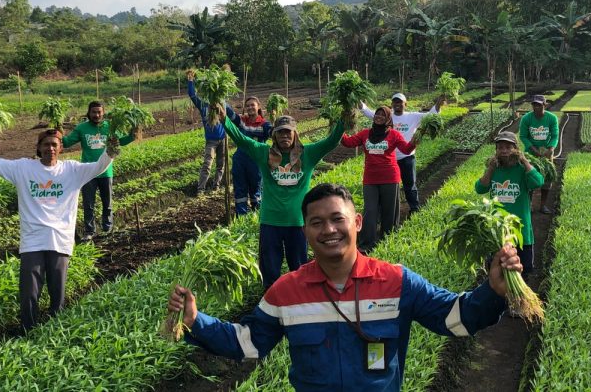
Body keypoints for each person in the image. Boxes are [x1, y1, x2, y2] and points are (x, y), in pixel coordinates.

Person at [167, 183, 520, 391]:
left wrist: (493, 291)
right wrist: (196, 319)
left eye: (338, 219)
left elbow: (454, 319)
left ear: (357, 222)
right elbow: (247, 344)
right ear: (304, 231)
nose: (329, 230)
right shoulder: (285, 292)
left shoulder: (396, 282)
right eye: (317, 222)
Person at [0, 128, 119, 330]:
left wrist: (111, 149)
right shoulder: (23, 169)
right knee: (28, 294)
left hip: (60, 240)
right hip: (32, 241)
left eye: (54, 144)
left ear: (60, 148)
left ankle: (53, 333)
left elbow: (99, 166)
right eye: (46, 144)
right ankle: (28, 331)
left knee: (57, 294)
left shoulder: (72, 170)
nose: (50, 148)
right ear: (38, 148)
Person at [221, 105, 345, 289]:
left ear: (295, 134)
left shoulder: (308, 154)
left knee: (300, 270)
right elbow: (241, 139)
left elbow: (332, 141)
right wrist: (223, 118)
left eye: (288, 133)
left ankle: (301, 303)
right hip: (271, 222)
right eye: (280, 133)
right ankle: (272, 305)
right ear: (274, 136)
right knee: (270, 272)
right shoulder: (264, 153)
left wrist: (345, 116)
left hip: (297, 223)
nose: (284, 136)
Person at [340, 106, 419, 251]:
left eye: (383, 115)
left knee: (389, 211)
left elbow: (407, 150)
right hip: (370, 179)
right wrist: (339, 126)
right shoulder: (365, 134)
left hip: (390, 177)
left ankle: (388, 241)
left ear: (388, 119)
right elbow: (347, 142)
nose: (379, 116)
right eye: (377, 114)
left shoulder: (394, 135)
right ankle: (366, 245)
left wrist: (417, 138)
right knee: (370, 211)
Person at [360, 92, 443, 217]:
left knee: (410, 185)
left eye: (400, 102)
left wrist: (439, 102)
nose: (397, 104)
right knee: (388, 187)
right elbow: (368, 112)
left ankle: (414, 209)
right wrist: (356, 99)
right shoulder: (387, 116)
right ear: (392, 104)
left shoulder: (413, 116)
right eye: (395, 102)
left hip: (406, 157)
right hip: (389, 159)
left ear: (405, 104)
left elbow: (431, 115)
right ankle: (383, 212)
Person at [475, 131, 543, 279]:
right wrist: (491, 169)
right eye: (500, 147)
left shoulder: (521, 169)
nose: (504, 151)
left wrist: (525, 161)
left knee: (522, 272)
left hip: (520, 229)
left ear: (516, 149)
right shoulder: (494, 169)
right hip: (498, 229)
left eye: (508, 147)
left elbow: (538, 182)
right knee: (499, 273)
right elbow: (480, 188)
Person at [61, 101, 134, 240]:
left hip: (106, 171)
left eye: (99, 112)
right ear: (89, 113)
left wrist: (132, 134)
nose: (96, 115)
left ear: (103, 113)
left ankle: (108, 227)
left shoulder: (109, 127)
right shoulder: (82, 128)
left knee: (107, 202)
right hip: (88, 172)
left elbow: (121, 141)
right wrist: (59, 134)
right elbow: (68, 142)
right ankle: (90, 231)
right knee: (88, 203)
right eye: (94, 112)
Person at [224, 97, 272, 216]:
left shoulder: (264, 124)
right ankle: (241, 216)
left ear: (258, 107)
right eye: (248, 106)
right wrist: (220, 100)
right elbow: (230, 113)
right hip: (240, 160)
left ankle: (257, 216)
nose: (250, 107)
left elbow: (273, 133)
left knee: (256, 190)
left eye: (252, 105)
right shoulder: (242, 121)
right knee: (240, 189)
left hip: (256, 162)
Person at [186, 70, 226, 194]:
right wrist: (190, 81)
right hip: (211, 141)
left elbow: (224, 91)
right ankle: (201, 189)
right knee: (207, 164)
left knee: (221, 164)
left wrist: (224, 74)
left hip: (223, 138)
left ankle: (216, 186)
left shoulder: (222, 105)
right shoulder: (203, 106)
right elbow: (192, 95)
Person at [518, 94, 559, 214]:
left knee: (547, 178)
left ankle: (543, 205)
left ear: (544, 105)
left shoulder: (551, 118)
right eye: (534, 104)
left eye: (539, 105)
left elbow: (555, 135)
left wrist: (551, 148)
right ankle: (529, 204)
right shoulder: (526, 118)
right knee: (530, 178)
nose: (536, 107)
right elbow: (523, 136)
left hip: (547, 152)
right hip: (531, 153)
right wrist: (533, 149)